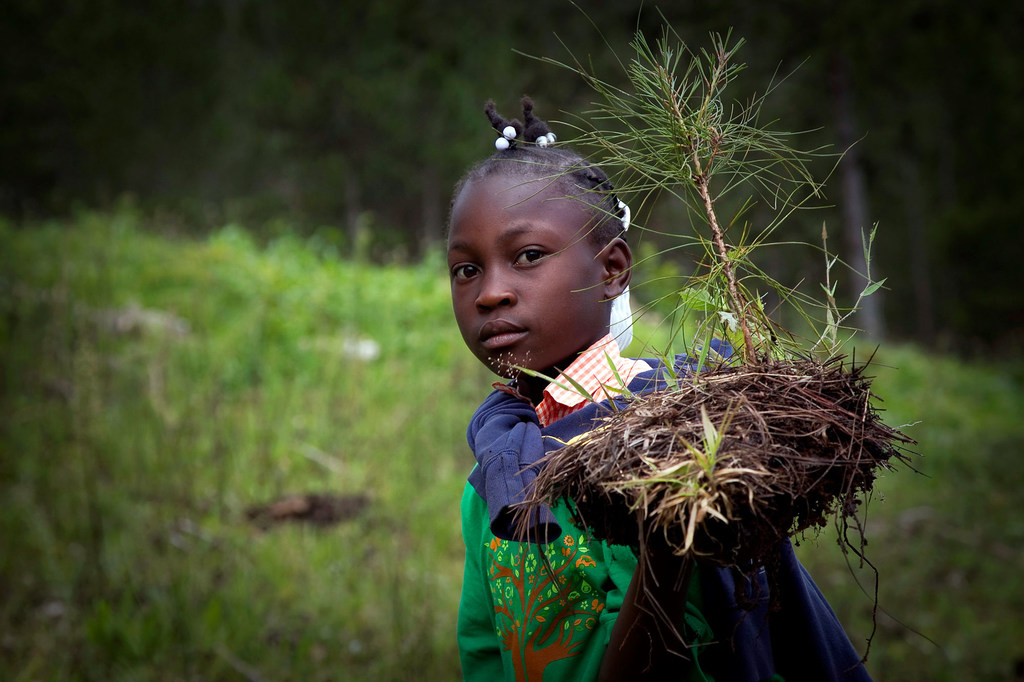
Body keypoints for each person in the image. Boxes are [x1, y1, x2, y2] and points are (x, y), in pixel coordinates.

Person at [449, 98, 871, 682]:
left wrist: (669, 544)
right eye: (466, 269)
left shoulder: (669, 434)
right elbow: (484, 650)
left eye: (529, 256)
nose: (489, 292)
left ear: (612, 269)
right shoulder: (494, 470)